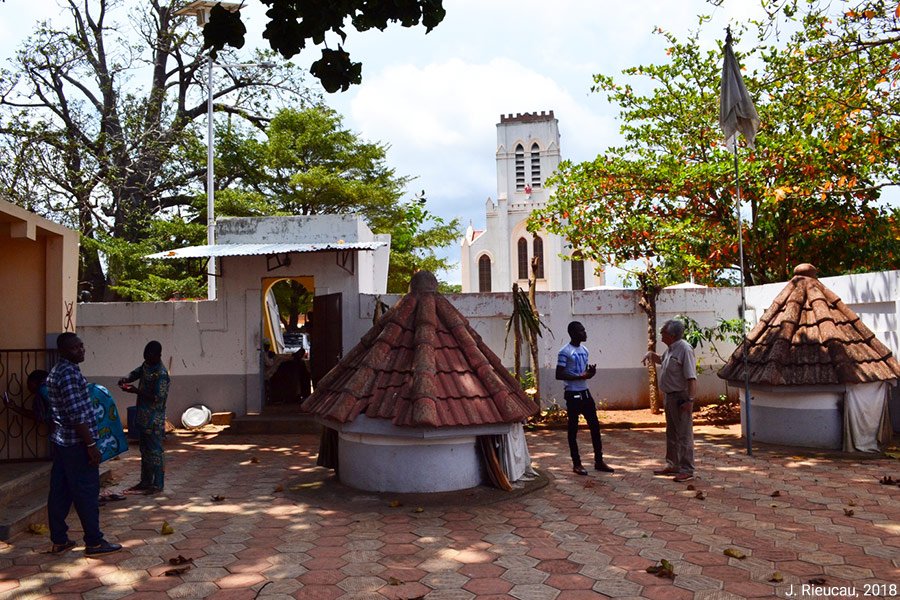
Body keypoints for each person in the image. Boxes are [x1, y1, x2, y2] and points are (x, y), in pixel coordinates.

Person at [45, 332, 121, 556]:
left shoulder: (58, 371)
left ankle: (59, 540)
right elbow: (76, 415)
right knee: (86, 492)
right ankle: (94, 542)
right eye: (75, 348)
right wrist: (90, 445)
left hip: (62, 442)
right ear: (64, 351)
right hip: (76, 444)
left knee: (60, 491)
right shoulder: (67, 374)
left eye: (81, 346)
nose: (81, 350)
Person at [556, 321, 614, 476]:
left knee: (595, 426)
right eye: (581, 331)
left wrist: (590, 373)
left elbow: (583, 372)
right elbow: (559, 374)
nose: (585, 333)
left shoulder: (585, 350)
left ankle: (599, 461)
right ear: (573, 333)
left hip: (585, 392)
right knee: (573, 428)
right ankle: (577, 463)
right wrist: (579, 376)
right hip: (572, 393)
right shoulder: (565, 351)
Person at [643, 318, 698, 483]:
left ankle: (687, 469)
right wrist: (651, 355)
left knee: (684, 434)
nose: (660, 334)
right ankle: (673, 464)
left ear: (672, 335)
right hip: (669, 397)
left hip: (681, 397)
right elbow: (663, 359)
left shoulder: (684, 349)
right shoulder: (671, 349)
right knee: (672, 433)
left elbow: (691, 378)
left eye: (663, 332)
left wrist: (690, 400)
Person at [118, 340, 169, 495]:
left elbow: (158, 398)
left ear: (158, 356)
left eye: (149, 357)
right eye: (145, 357)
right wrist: (126, 379)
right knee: (144, 450)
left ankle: (157, 484)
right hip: (142, 417)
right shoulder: (147, 365)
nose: (146, 359)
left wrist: (136, 391)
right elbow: (137, 372)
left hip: (154, 419)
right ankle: (145, 481)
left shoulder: (162, 374)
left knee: (155, 451)